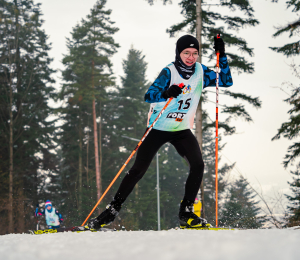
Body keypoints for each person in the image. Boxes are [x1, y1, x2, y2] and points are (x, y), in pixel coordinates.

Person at [88, 34, 233, 230]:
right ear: (178, 53)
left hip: (181, 129)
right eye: (186, 53)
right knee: (138, 170)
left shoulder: (201, 71)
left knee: (198, 165)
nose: (191, 57)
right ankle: (111, 210)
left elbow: (225, 80)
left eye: (195, 53)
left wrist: (221, 54)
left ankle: (186, 212)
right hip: (158, 127)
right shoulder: (169, 72)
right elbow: (149, 95)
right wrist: (166, 93)